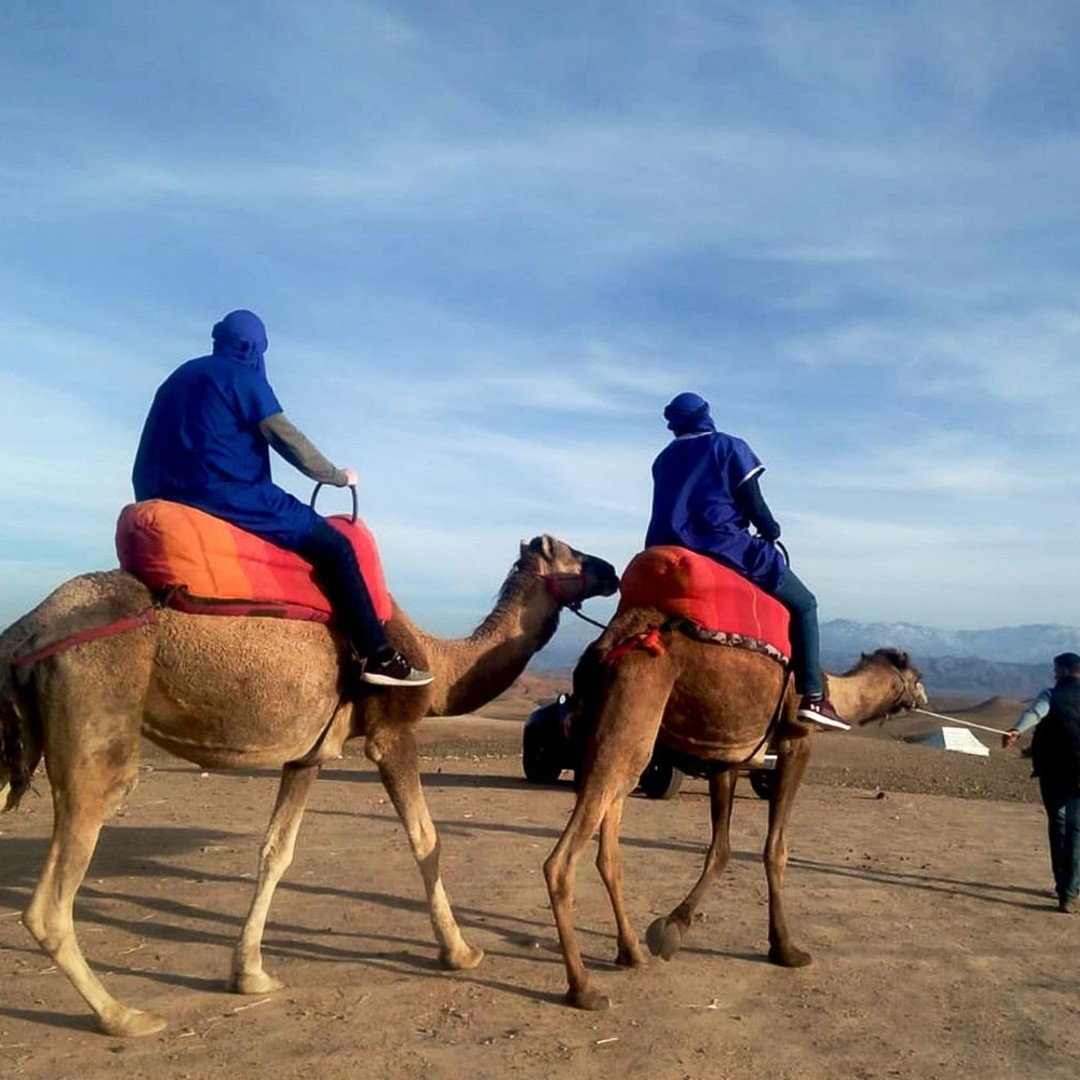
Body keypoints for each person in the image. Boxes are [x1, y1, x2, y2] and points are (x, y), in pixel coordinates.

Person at [132, 308, 432, 688]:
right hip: (229, 493)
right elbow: (289, 441)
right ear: (256, 348)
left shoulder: (178, 377)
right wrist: (337, 476)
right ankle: (379, 654)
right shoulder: (244, 379)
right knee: (337, 548)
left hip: (158, 491)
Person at [645, 391, 848, 731]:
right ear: (706, 414)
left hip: (661, 548)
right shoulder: (728, 447)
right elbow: (753, 502)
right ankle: (813, 696)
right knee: (805, 604)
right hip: (722, 544)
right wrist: (771, 529)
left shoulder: (663, 459)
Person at [1001, 652, 1080, 913]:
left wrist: (1016, 731)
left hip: (1053, 772)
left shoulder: (1050, 694)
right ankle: (1070, 887)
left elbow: (1035, 713)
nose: (1054, 674)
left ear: (1066, 671)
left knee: (1057, 825)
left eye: (1056, 670)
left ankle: (1063, 887)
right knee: (1075, 829)